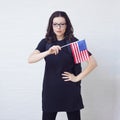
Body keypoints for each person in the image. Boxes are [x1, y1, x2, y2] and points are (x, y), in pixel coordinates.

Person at [28, 11, 97, 120]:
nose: (58, 27)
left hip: (70, 90)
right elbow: (30, 59)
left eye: (62, 24)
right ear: (51, 25)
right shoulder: (46, 42)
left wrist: (76, 78)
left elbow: (93, 63)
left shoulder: (74, 42)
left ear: (67, 25)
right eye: (55, 24)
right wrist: (48, 52)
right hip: (50, 90)